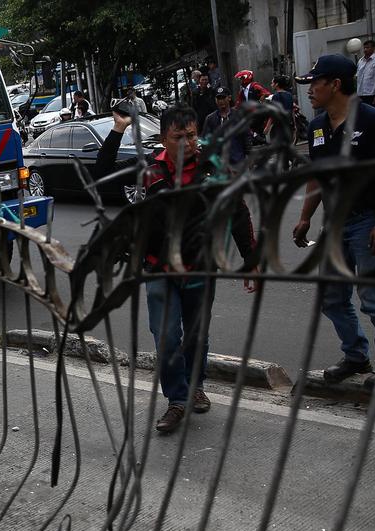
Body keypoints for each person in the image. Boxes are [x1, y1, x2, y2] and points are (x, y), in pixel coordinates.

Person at [93, 106, 257, 433]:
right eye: (178, 137)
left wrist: (250, 261)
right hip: (159, 268)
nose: (187, 143)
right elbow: (102, 172)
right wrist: (118, 129)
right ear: (163, 139)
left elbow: (238, 213)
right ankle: (177, 400)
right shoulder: (148, 170)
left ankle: (195, 386)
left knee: (196, 336)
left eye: (192, 136)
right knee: (167, 336)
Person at [292, 54, 375, 390]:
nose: (310, 90)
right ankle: (356, 355)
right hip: (334, 224)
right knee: (332, 297)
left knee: (373, 296)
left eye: (315, 83)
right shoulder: (316, 126)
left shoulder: (373, 120)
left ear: (335, 85)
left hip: (367, 221)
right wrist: (305, 217)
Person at [202, 87, 247, 169]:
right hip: (219, 165)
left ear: (229, 98)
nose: (221, 101)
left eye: (223, 98)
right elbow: (206, 142)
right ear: (215, 100)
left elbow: (246, 136)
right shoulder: (210, 119)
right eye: (218, 98)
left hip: (238, 161)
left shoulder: (238, 115)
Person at [356, 40, 375, 107]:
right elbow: (358, 78)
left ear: (373, 48)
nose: (365, 50)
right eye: (364, 48)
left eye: (368, 47)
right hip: (361, 95)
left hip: (372, 94)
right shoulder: (360, 61)